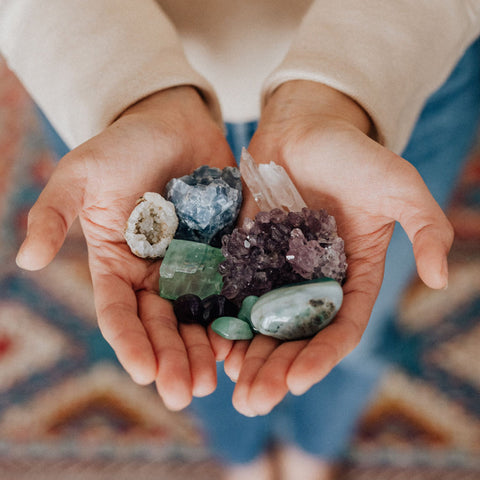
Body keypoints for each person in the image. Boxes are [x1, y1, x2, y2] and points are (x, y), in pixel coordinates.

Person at [1, 1, 480, 479]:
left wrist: (342, 86)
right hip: (101, 70)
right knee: (200, 352)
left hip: (394, 60)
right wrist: (131, 95)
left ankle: (316, 447)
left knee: (359, 327)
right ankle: (242, 455)